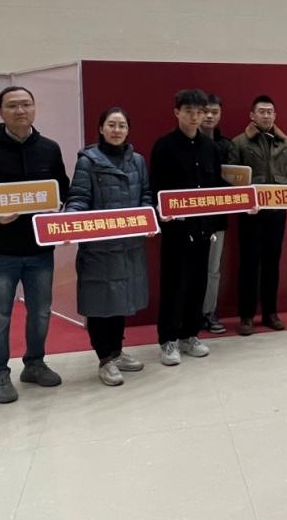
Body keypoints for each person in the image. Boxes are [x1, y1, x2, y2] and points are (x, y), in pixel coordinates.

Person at [0, 86, 70, 404]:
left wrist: (58, 207)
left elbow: (62, 187)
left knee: (41, 311)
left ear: (35, 108)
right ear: (1, 112)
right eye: (12, 105)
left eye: (26, 104)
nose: (20, 110)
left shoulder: (49, 148)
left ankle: (34, 364)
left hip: (39, 247)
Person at [65, 107, 151, 385]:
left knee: (120, 300)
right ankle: (105, 358)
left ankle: (117, 351)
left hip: (128, 245)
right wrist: (70, 219)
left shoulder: (137, 161)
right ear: (101, 128)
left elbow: (146, 194)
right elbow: (78, 197)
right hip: (99, 247)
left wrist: (148, 217)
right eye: (111, 125)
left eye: (122, 125)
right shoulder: (88, 161)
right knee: (100, 302)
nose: (117, 130)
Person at [150, 89, 223, 364]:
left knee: (197, 284)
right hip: (177, 231)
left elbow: (217, 188)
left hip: (204, 229)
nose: (195, 117)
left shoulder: (211, 148)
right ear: (177, 112)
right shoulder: (164, 146)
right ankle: (168, 340)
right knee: (174, 285)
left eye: (199, 112)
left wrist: (244, 200)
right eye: (189, 111)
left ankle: (190, 334)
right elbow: (156, 187)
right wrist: (160, 213)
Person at [228, 94, 287, 335]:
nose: (266, 115)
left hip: (276, 213)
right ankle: (246, 316)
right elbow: (231, 179)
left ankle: (271, 313)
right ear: (252, 115)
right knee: (249, 264)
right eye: (261, 111)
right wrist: (244, 200)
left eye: (270, 111)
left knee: (272, 262)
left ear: (275, 115)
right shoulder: (239, 143)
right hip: (250, 214)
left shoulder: (286, 143)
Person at [200, 94, 232, 335]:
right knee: (189, 269)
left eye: (215, 112)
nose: (209, 116)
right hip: (188, 217)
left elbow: (235, 179)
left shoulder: (226, 146)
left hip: (217, 216)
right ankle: (188, 314)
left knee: (213, 268)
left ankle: (208, 312)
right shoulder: (182, 143)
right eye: (206, 111)